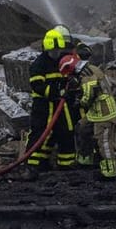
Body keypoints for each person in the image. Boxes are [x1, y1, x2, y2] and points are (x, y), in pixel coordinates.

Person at [26, 25, 78, 173]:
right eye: (54, 51)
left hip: (60, 105)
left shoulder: (60, 60)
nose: (57, 53)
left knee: (66, 131)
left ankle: (66, 163)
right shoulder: (39, 64)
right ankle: (33, 164)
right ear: (47, 49)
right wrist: (56, 91)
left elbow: (68, 75)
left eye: (58, 51)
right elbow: (37, 86)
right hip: (43, 107)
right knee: (40, 133)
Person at [69, 46, 116, 179]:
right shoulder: (90, 69)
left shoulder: (87, 73)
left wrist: (78, 102)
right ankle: (85, 160)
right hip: (95, 111)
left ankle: (110, 171)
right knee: (82, 128)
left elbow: (88, 95)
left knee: (103, 141)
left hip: (105, 112)